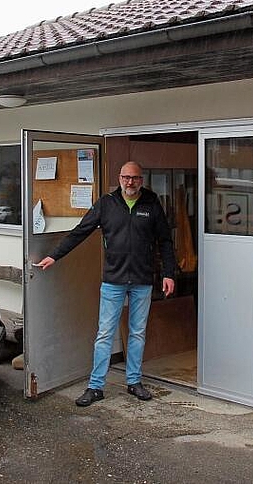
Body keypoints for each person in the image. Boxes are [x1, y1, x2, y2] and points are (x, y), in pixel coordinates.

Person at [36, 161, 175, 407]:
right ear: (119, 178)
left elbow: (165, 240)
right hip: (113, 280)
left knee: (138, 333)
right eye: (125, 177)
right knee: (104, 334)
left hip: (142, 280)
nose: (129, 182)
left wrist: (169, 273)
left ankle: (134, 381)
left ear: (141, 180)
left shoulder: (152, 204)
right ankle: (96, 386)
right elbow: (80, 231)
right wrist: (55, 255)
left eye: (134, 178)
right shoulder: (107, 204)